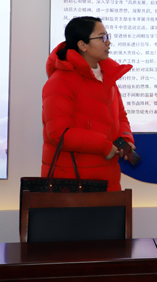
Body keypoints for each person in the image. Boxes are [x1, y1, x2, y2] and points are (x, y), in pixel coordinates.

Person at [42, 16, 135, 191]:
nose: (108, 42)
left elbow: (121, 116)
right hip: (73, 186)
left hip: (108, 181)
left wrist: (125, 139)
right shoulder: (60, 81)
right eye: (102, 37)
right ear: (82, 45)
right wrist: (104, 145)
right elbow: (58, 133)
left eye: (108, 36)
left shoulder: (107, 78)